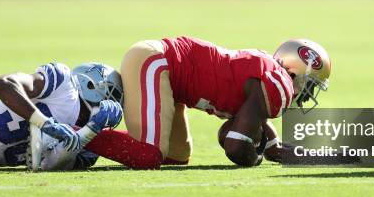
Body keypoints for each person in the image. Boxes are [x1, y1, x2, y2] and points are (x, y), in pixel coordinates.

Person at [83, 37, 331, 169]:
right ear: (295, 72)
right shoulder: (278, 85)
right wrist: (253, 157)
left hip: (170, 78)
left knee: (177, 156)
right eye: (309, 85)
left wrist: (328, 156)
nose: (307, 94)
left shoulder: (267, 78)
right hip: (158, 62)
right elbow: (236, 146)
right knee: (148, 156)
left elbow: (271, 146)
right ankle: (70, 132)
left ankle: (82, 135)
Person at [0, 63, 123, 170]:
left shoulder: (90, 146)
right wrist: (43, 122)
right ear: (92, 85)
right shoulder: (63, 86)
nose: (111, 105)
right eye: (112, 97)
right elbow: (3, 84)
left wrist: (92, 129)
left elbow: (47, 166)